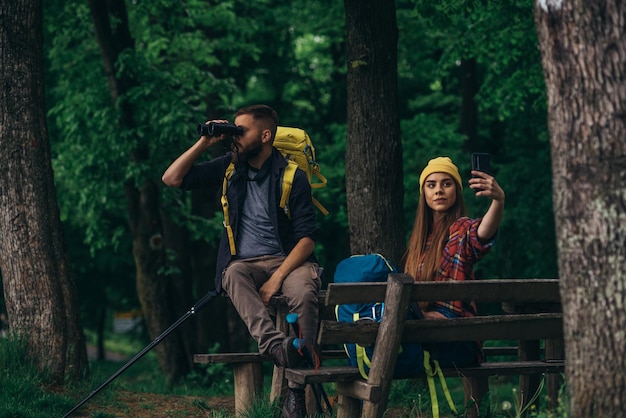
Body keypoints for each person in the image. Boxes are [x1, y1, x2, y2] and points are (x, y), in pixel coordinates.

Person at [162, 104, 320, 418]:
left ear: (265, 135)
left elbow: (307, 240)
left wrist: (276, 279)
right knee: (230, 274)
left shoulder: (292, 175)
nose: (234, 136)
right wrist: (205, 142)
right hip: (247, 264)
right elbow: (172, 178)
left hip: (288, 262)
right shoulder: (231, 168)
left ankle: (296, 391)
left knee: (303, 292)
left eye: (241, 130)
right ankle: (276, 346)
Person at [403, 156, 505, 368]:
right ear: (424, 193)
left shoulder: (461, 229)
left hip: (457, 335)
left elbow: (482, 233)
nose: (438, 190)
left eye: (446, 184)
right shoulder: (419, 239)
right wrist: (421, 315)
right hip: (425, 330)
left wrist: (498, 201)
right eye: (431, 185)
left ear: (456, 192)